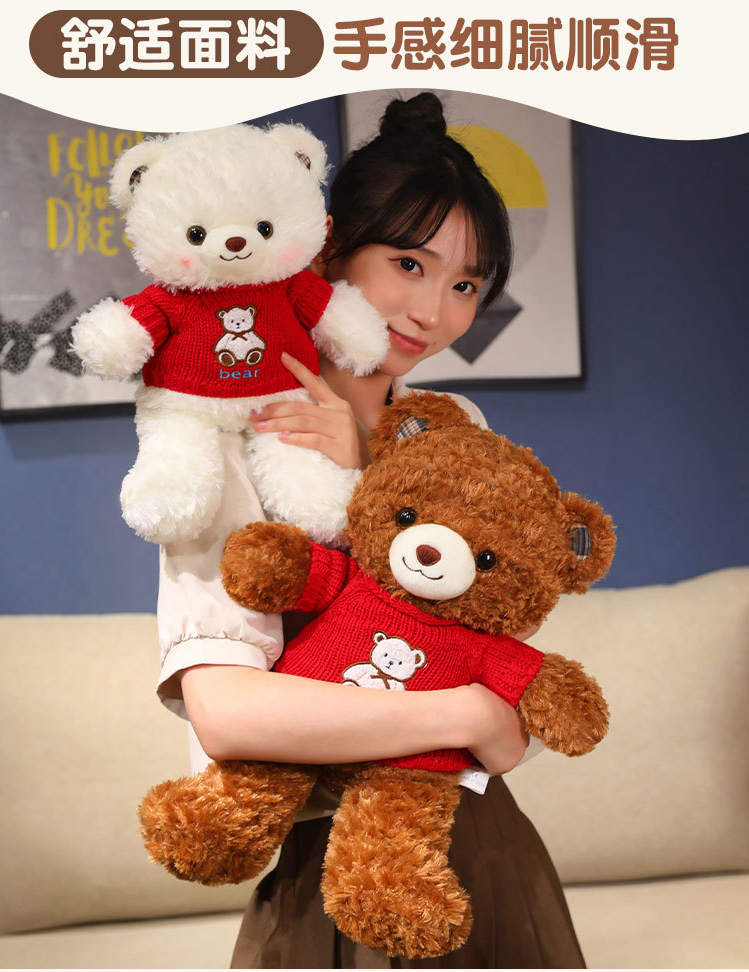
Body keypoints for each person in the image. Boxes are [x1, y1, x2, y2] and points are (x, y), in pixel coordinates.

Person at [159, 93, 586, 968]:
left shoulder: (454, 431)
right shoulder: (222, 439)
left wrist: (368, 474)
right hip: (326, 866)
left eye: (466, 284)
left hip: (479, 844)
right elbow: (228, 713)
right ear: (328, 250)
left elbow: (506, 703)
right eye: (408, 263)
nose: (433, 312)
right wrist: (466, 710)